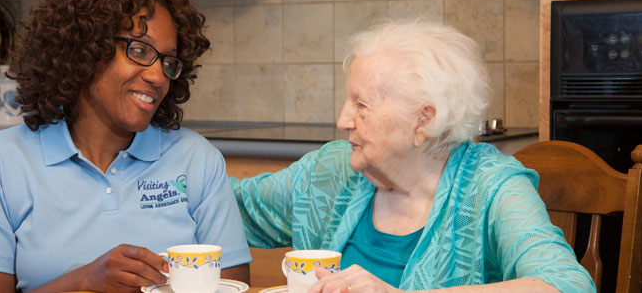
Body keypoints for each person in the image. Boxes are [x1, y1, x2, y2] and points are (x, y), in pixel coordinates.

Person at [0, 0, 251, 292]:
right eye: (140, 51)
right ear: (84, 48)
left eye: (168, 61)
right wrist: (83, 281)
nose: (158, 76)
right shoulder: (0, 162)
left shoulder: (197, 159)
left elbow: (233, 286)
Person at [232, 20, 595, 293]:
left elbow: (566, 285)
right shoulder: (330, 172)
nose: (343, 121)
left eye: (361, 105)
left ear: (424, 119)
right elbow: (228, 205)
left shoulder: (490, 187)